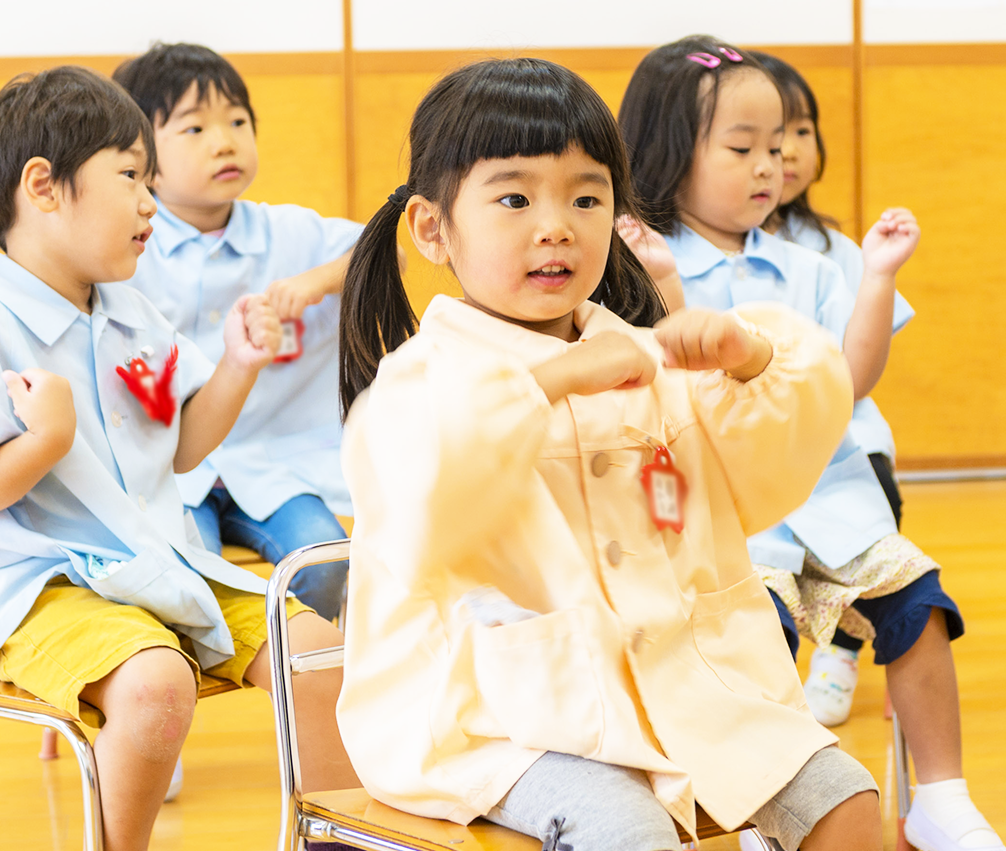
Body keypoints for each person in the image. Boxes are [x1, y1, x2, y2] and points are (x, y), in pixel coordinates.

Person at [334, 56, 883, 851]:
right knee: (628, 829)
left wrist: (751, 362)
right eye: (515, 198)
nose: (555, 225)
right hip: (494, 714)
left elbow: (753, 484)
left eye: (586, 198)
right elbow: (436, 497)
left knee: (845, 799)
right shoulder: (421, 381)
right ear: (432, 228)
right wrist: (549, 383)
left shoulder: (638, 357)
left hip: (678, 684)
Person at [0, 66, 355, 851]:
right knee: (158, 686)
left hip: (157, 565)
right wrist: (45, 441)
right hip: (39, 589)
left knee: (320, 653)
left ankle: (331, 839)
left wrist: (236, 366)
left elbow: (184, 440)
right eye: (131, 176)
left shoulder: (130, 310)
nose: (151, 204)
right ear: (44, 187)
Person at [618, 37, 1002, 851]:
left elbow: (847, 382)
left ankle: (942, 798)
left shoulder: (810, 264)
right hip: (725, 510)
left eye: (780, 143)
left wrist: (879, 278)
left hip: (830, 489)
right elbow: (665, 390)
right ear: (670, 151)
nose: (772, 164)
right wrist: (666, 289)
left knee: (920, 605)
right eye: (742, 147)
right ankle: (771, 799)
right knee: (758, 638)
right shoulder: (638, 258)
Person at [114, 43, 359, 620]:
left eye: (238, 122)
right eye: (194, 128)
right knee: (183, 577)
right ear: (141, 158)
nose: (225, 140)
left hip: (271, 463)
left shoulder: (287, 232)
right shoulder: (125, 244)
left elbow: (388, 250)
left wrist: (318, 281)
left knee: (327, 568)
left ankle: (298, 695)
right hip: (171, 469)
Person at [747, 47, 921, 729]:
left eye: (798, 132)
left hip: (840, 428)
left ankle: (843, 649)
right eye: (758, 139)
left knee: (879, 498)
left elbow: (861, 361)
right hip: (757, 444)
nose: (783, 152)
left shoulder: (837, 250)